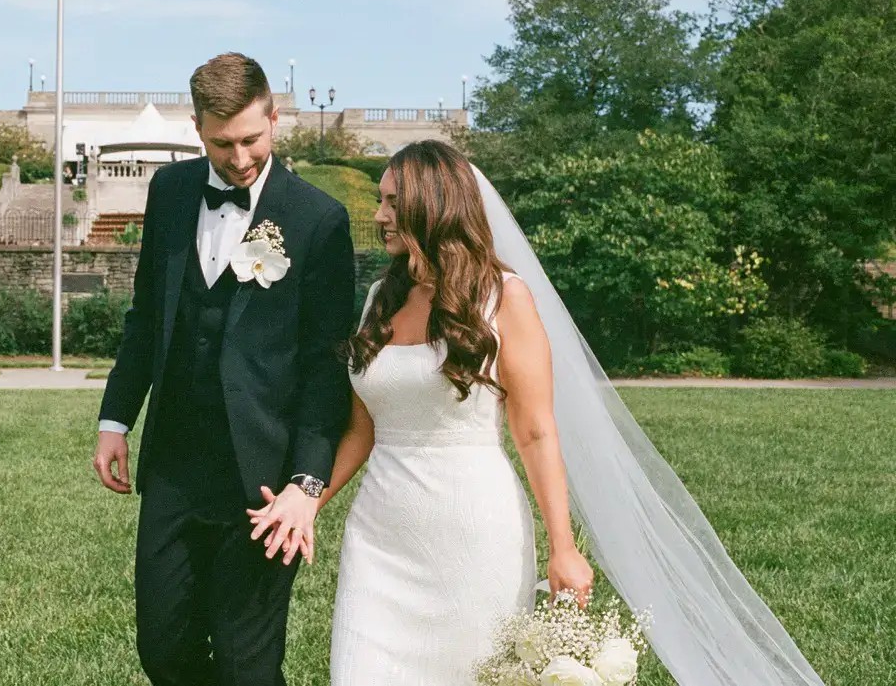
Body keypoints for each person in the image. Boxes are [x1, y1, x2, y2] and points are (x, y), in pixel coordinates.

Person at [251, 139, 828, 686]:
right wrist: (309, 503)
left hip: (474, 534)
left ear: (435, 205)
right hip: (379, 538)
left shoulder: (505, 298)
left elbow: (535, 430)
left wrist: (565, 547)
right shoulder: (381, 298)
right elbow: (363, 427)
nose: (379, 215)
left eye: (393, 202)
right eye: (381, 200)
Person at [92, 51, 356, 685]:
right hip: (175, 467)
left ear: (275, 116)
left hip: (262, 484)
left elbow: (327, 372)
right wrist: (114, 418)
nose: (238, 159)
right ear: (196, 128)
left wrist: (306, 486)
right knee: (162, 648)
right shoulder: (170, 191)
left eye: (251, 139)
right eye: (221, 144)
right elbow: (146, 315)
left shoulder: (318, 220)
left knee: (247, 663)